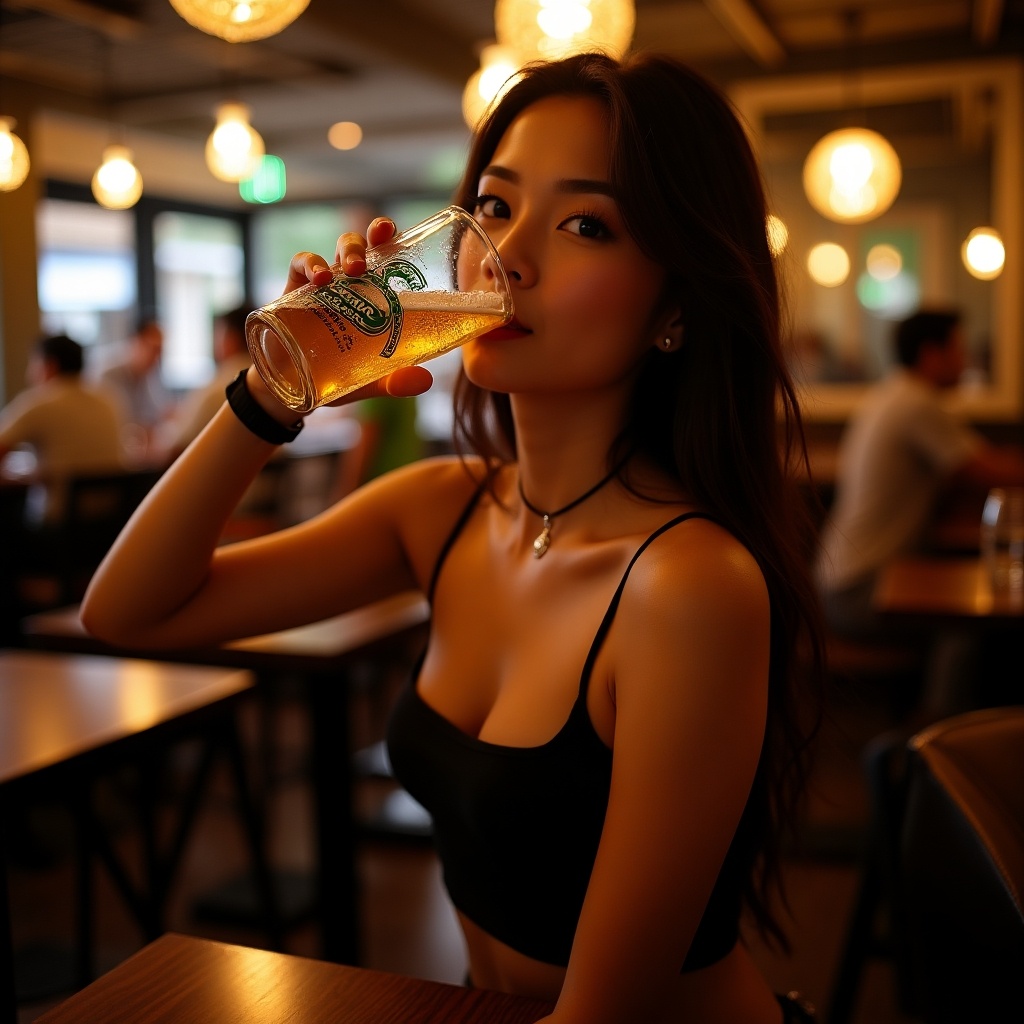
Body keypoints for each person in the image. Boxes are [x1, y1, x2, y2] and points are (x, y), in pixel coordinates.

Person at [82, 52, 825, 1024]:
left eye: (585, 224)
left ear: (674, 306)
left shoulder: (689, 584)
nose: (505, 258)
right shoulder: (443, 508)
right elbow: (127, 612)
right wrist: (271, 389)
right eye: (496, 206)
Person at [814, 308, 1024, 715]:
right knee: (964, 623)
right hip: (858, 589)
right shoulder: (917, 404)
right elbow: (983, 472)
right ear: (932, 354)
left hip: (841, 577)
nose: (966, 361)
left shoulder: (895, 393)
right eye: (958, 350)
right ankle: (936, 747)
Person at [0, 332, 124, 525]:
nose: (29, 372)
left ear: (50, 366)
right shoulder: (109, 398)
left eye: (33, 363)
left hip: (58, 524)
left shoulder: (40, 401)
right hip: (110, 521)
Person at [154, 304, 253, 461]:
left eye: (218, 335)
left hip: (222, 484)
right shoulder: (275, 386)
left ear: (230, 340)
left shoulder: (218, 390)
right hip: (269, 482)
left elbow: (177, 447)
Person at [95, 316, 173, 456]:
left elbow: (158, 415)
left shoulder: (149, 375)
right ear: (135, 342)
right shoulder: (108, 375)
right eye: (153, 349)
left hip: (137, 454)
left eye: (160, 351)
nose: (157, 357)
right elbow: (118, 423)